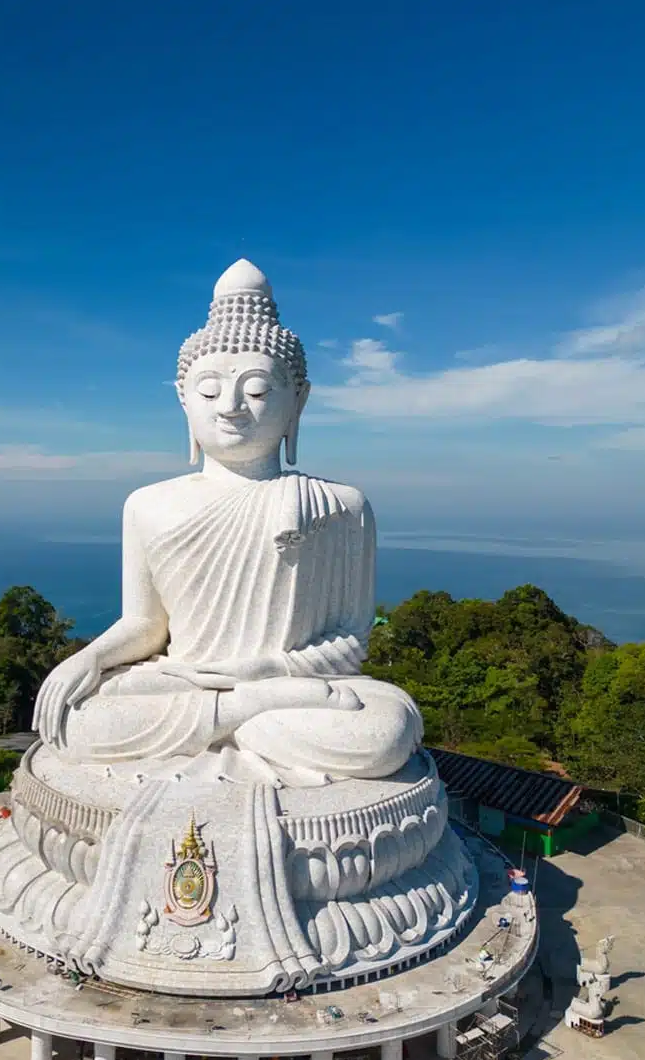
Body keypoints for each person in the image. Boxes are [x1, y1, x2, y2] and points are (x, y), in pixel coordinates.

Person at [32, 259, 421, 786]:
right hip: (193, 684)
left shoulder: (340, 506)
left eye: (258, 391)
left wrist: (264, 671)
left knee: (383, 732)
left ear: (297, 401)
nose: (232, 408)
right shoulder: (147, 504)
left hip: (291, 690)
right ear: (182, 399)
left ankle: (239, 717)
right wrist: (90, 658)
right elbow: (147, 627)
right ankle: (243, 717)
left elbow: (352, 641)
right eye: (209, 392)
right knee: (78, 721)